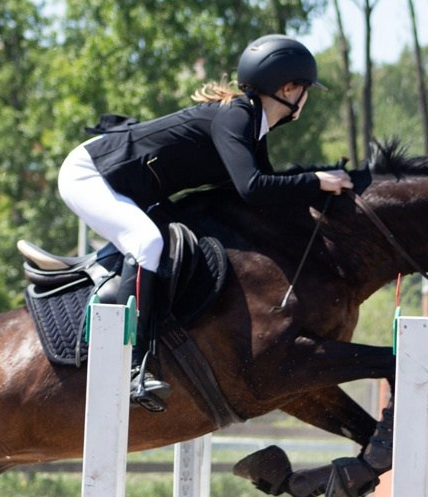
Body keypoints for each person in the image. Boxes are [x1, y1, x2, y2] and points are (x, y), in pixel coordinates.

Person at [57, 34, 353, 413]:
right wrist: (315, 181)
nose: (306, 99)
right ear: (289, 89)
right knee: (146, 242)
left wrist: (318, 188)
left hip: (133, 188)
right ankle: (132, 363)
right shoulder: (237, 116)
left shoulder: (253, 128)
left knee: (176, 242)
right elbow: (252, 188)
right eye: (306, 90)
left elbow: (265, 194)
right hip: (90, 175)